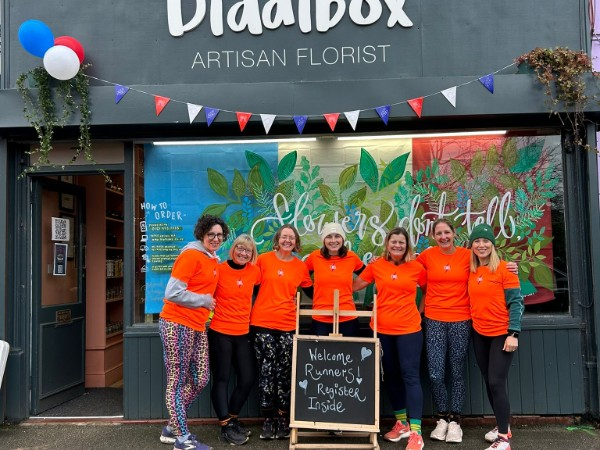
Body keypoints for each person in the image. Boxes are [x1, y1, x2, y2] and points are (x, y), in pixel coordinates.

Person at [418, 219, 518, 444]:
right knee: (435, 373)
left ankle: (456, 421)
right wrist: (378, 261)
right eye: (438, 233)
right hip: (434, 319)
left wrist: (513, 267)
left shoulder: (467, 256)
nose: (443, 236)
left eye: (447, 232)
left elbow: (494, 266)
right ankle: (442, 418)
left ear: (454, 233)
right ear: (433, 236)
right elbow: (405, 266)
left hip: (462, 320)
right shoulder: (426, 256)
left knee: (457, 372)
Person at [158, 214, 229, 450]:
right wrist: (204, 300)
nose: (216, 238)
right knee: (177, 381)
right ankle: (182, 439)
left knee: (201, 378)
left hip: (197, 326)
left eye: (220, 235)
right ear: (202, 234)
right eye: (211, 234)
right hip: (176, 323)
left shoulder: (212, 259)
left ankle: (172, 427)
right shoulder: (190, 256)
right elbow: (172, 292)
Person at [353, 227, 427, 450]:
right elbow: (355, 286)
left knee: (410, 377)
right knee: (392, 377)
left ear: (407, 245)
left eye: (401, 242)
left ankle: (416, 433)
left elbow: (428, 289)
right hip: (382, 330)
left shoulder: (416, 267)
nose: (397, 245)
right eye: (393, 242)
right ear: (387, 244)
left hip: (409, 331)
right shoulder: (377, 265)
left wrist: (420, 312)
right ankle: (401, 424)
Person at [249, 224, 313, 440]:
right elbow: (250, 287)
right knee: (267, 372)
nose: (287, 241)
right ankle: (268, 419)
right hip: (262, 324)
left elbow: (313, 292)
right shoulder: (263, 260)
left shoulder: (300, 267)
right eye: (284, 237)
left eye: (291, 238)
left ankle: (283, 418)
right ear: (277, 240)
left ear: (296, 243)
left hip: (288, 325)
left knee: (284, 374)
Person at [467, 224, 523, 450]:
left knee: (496, 382)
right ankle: (503, 427)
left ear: (492, 244)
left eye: (485, 241)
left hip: (502, 333)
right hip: (479, 333)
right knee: (489, 382)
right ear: (472, 245)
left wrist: (513, 333)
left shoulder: (505, 269)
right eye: (477, 241)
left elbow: (516, 302)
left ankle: (503, 440)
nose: (481, 245)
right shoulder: (471, 270)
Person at [208, 234, 261, 446]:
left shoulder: (255, 272)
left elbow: (258, 294)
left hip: (243, 332)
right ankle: (225, 425)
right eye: (240, 248)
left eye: (248, 250)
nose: (243, 253)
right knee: (221, 378)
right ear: (233, 249)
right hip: (220, 332)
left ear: (252, 254)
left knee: (247, 378)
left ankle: (232, 418)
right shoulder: (219, 269)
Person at [304, 222, 365, 336]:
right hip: (321, 316)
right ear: (324, 240)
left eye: (337, 236)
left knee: (350, 347)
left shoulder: (351, 257)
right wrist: (314, 294)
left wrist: (351, 288)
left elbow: (367, 275)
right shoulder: (315, 257)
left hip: (347, 316)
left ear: (342, 239)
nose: (333, 240)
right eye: (329, 236)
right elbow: (303, 276)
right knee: (320, 348)